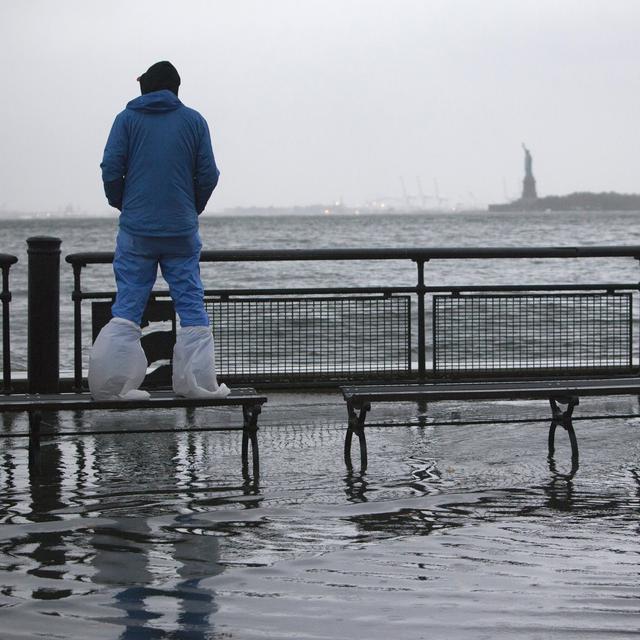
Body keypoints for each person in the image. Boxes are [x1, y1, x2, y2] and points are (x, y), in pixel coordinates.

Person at [88, 61, 229, 400]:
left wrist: (122, 202)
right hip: (181, 229)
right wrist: (189, 207)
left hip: (137, 229)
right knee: (191, 303)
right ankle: (196, 384)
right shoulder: (194, 121)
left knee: (129, 304)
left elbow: (111, 168)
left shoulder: (126, 121)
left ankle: (114, 386)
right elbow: (209, 174)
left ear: (145, 88)